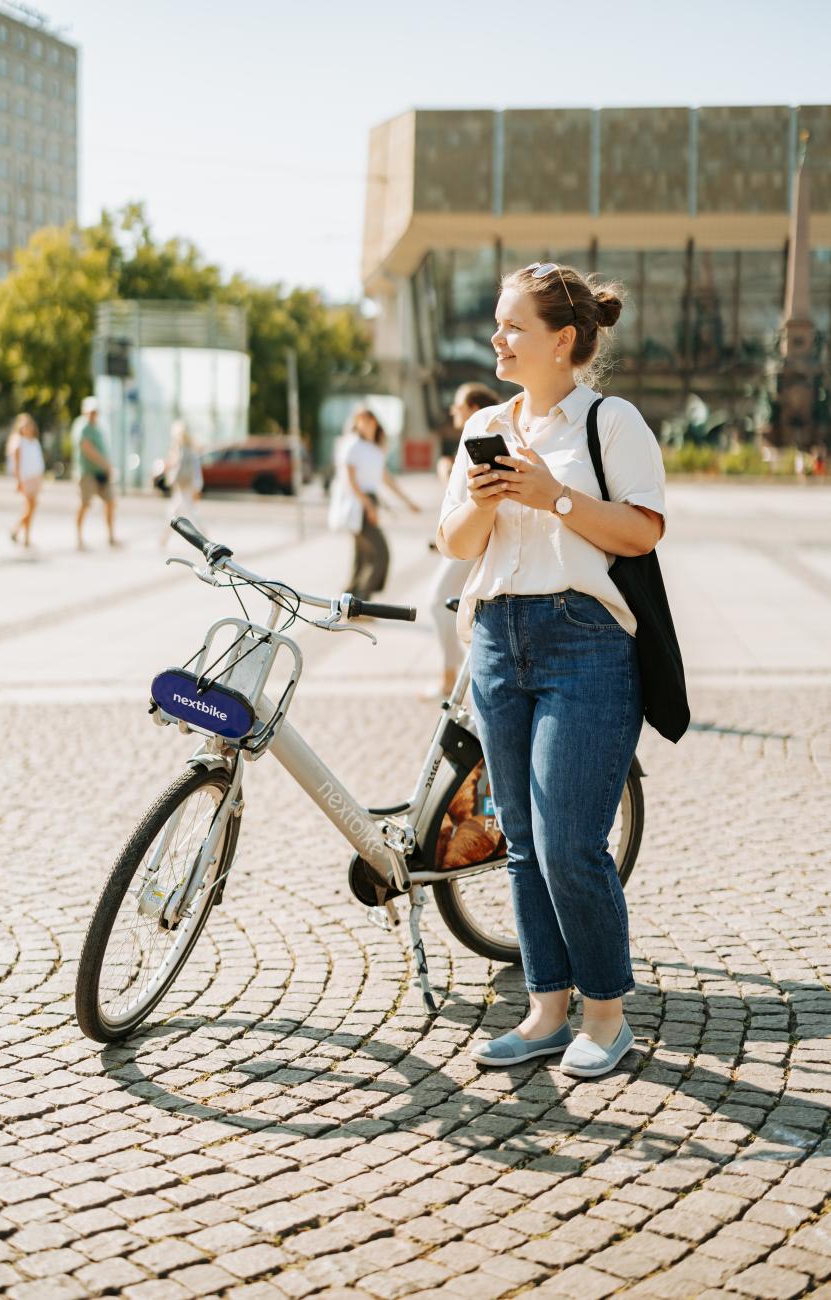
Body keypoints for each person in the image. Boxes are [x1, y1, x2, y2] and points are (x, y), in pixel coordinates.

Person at [437, 261, 666, 1079]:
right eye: (497, 324)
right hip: (497, 638)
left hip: (585, 643)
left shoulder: (610, 422)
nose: (496, 338)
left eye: (512, 326)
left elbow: (642, 532)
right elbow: (454, 543)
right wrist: (484, 499)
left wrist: (552, 496)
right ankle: (544, 1010)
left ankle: (605, 1016)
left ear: (561, 339)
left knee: (570, 842)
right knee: (523, 843)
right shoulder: (485, 424)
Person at [427, 383, 499, 697]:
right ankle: (454, 673)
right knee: (452, 603)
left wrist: (446, 473)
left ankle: (452, 675)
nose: (452, 411)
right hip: (471, 538)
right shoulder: (477, 436)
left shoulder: (484, 436)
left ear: (473, 409)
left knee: (439, 599)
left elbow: (479, 494)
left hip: (477, 539)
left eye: (458, 406)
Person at [333, 408, 420, 601]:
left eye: (364, 420)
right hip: (359, 504)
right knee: (380, 554)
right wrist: (368, 506)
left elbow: (386, 479)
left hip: (368, 501)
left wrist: (408, 502)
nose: (361, 425)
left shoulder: (375, 448)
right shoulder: (352, 445)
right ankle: (361, 598)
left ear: (373, 421)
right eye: (357, 421)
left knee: (362, 557)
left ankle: (349, 599)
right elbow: (349, 480)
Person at [72, 396, 117, 550]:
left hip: (102, 472)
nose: (93, 415)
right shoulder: (82, 428)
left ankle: (111, 536)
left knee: (110, 502)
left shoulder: (99, 427)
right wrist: (106, 465)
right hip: (88, 473)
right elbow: (88, 449)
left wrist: (107, 467)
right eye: (91, 412)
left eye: (95, 412)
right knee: (85, 504)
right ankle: (79, 537)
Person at [7, 412, 45, 547]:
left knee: (32, 508)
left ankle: (25, 536)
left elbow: (38, 461)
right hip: (26, 478)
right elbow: (16, 464)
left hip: (35, 478)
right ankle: (16, 529)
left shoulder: (34, 442)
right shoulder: (19, 442)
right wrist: (18, 481)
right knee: (29, 508)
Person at [162, 419, 203, 540]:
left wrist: (197, 486)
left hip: (185, 485)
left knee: (180, 511)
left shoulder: (185, 449)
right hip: (184, 485)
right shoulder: (185, 448)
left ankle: (164, 537)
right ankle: (164, 537)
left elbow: (189, 468)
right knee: (178, 510)